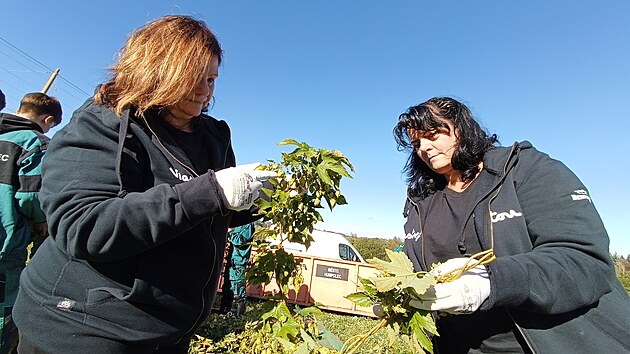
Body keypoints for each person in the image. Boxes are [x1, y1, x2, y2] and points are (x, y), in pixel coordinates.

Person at [13, 15, 275, 353]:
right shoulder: (103, 122)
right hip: (83, 328)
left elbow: (199, 213)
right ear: (156, 70)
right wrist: (214, 191)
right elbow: (85, 226)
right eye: (194, 78)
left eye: (212, 79)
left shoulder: (212, 136)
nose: (205, 91)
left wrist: (254, 200)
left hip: (166, 333)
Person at [394, 96, 630, 353]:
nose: (424, 148)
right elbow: (416, 266)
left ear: (460, 128)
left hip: (545, 343)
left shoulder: (526, 170)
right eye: (417, 143)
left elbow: (585, 260)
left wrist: (492, 282)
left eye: (433, 135)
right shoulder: (422, 199)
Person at [0, 92, 62, 353]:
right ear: (47, 119)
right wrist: (44, 220)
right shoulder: (35, 143)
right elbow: (31, 198)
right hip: (4, 243)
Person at [219, 223, 255, 316]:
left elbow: (240, 241)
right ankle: (223, 314)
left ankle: (239, 317)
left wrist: (230, 233)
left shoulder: (248, 225)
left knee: (239, 292)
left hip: (239, 264)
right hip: (232, 262)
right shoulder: (239, 224)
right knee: (227, 290)